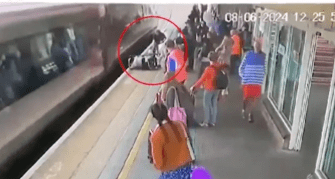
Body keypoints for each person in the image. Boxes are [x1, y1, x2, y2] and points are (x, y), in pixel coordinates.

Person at [149, 102, 194, 178]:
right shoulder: (180, 124)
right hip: (186, 170)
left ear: (154, 117)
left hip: (170, 174)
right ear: (167, 112)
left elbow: (159, 164)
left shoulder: (156, 136)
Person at [190, 51, 228, 127]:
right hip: (217, 89)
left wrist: (194, 87)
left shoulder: (208, 69)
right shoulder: (220, 67)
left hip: (209, 89)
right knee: (214, 105)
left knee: (207, 105)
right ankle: (213, 121)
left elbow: (202, 79)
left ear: (209, 59)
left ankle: (207, 121)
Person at [239, 39, 266, 123]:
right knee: (247, 97)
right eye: (256, 45)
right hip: (248, 81)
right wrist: (243, 77)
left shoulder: (263, 56)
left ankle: (251, 113)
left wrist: (262, 76)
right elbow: (241, 67)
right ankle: (244, 108)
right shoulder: (248, 54)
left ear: (260, 46)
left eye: (259, 45)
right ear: (253, 46)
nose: (257, 46)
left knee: (255, 99)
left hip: (257, 82)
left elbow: (265, 68)